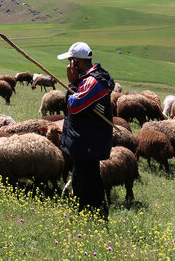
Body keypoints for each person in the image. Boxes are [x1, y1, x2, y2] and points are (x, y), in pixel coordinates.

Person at [57, 41, 115, 219]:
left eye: (70, 61)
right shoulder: (88, 79)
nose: (68, 65)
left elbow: (74, 106)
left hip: (88, 142)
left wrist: (72, 83)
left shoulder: (93, 82)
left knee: (89, 181)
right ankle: (85, 215)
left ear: (77, 62)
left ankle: (96, 217)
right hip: (84, 140)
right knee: (81, 179)